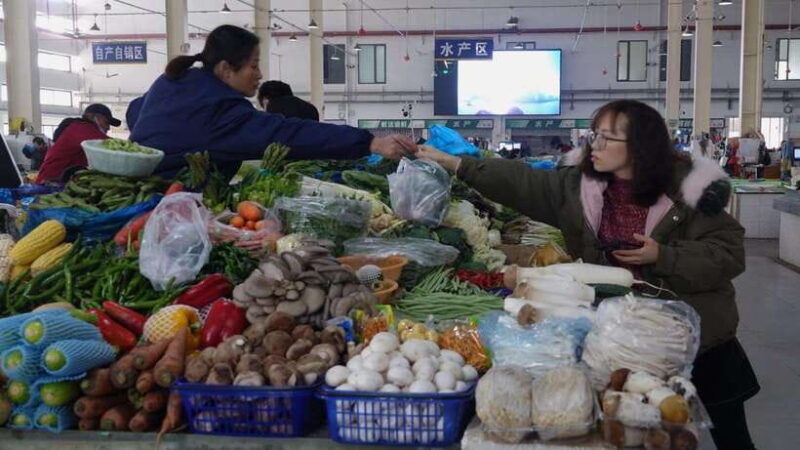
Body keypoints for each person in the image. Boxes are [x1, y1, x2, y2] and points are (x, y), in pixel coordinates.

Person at [418, 99, 759, 450]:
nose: (593, 145)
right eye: (594, 135)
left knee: (727, 434)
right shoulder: (579, 188)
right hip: (619, 340)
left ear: (640, 146)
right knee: (637, 435)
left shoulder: (692, 192)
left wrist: (664, 256)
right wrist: (458, 164)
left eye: (607, 138)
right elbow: (523, 182)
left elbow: (729, 254)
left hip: (694, 341)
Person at [128, 25, 414, 178]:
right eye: (253, 66)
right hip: (167, 199)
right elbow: (287, 133)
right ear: (226, 69)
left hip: (137, 189)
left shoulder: (174, 81)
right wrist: (369, 142)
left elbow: (136, 111)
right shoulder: (220, 110)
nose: (259, 74)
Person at [37, 104, 121, 183]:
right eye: (106, 122)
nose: (108, 128)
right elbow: (112, 145)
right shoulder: (81, 128)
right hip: (49, 183)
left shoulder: (78, 129)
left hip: (60, 181)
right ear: (93, 117)